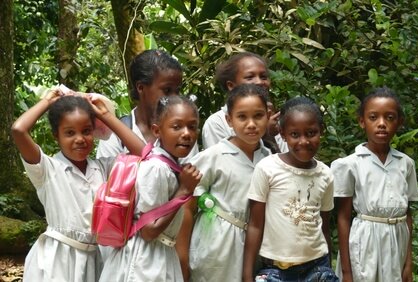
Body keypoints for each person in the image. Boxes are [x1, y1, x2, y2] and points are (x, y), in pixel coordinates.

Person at [11, 91, 144, 281]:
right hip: (57, 261)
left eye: (87, 131)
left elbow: (143, 154)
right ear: (56, 135)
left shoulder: (103, 168)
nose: (80, 138)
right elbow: (18, 130)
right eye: (70, 132)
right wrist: (48, 101)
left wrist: (105, 116)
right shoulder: (47, 169)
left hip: (94, 259)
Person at [99, 95, 202, 282]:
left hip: (159, 255)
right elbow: (148, 231)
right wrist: (184, 192)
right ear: (157, 130)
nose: (187, 133)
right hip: (144, 262)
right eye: (177, 126)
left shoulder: (169, 165)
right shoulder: (157, 168)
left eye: (192, 127)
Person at [178, 84, 271, 281]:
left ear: (268, 115)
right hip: (216, 244)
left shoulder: (269, 158)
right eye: (242, 117)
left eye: (258, 116)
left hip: (255, 243)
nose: (251, 124)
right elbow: (188, 204)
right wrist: (183, 256)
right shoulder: (214, 155)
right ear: (229, 119)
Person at [243, 96, 338, 282]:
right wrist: (247, 275)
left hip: (316, 265)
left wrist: (329, 266)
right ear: (283, 133)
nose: (304, 141)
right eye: (295, 134)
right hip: (275, 268)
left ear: (321, 132)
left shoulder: (325, 174)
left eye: (311, 133)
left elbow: (324, 226)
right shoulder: (267, 168)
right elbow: (255, 225)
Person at [332, 87, 418, 282]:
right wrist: (347, 272)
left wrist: (408, 263)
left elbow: (408, 215)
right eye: (373, 117)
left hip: (397, 242)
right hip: (365, 243)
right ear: (362, 121)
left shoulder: (406, 164)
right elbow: (343, 217)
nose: (382, 124)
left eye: (389, 117)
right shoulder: (349, 164)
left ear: (399, 122)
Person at [96, 49, 198, 162]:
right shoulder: (115, 135)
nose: (174, 98)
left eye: (177, 91)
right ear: (141, 88)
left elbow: (190, 170)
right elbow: (110, 176)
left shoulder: (183, 132)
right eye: (167, 90)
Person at [201, 52, 286, 152]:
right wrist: (265, 133)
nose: (259, 82)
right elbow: (222, 162)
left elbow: (286, 162)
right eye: (250, 77)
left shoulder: (275, 119)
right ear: (231, 85)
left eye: (263, 77)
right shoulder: (216, 123)